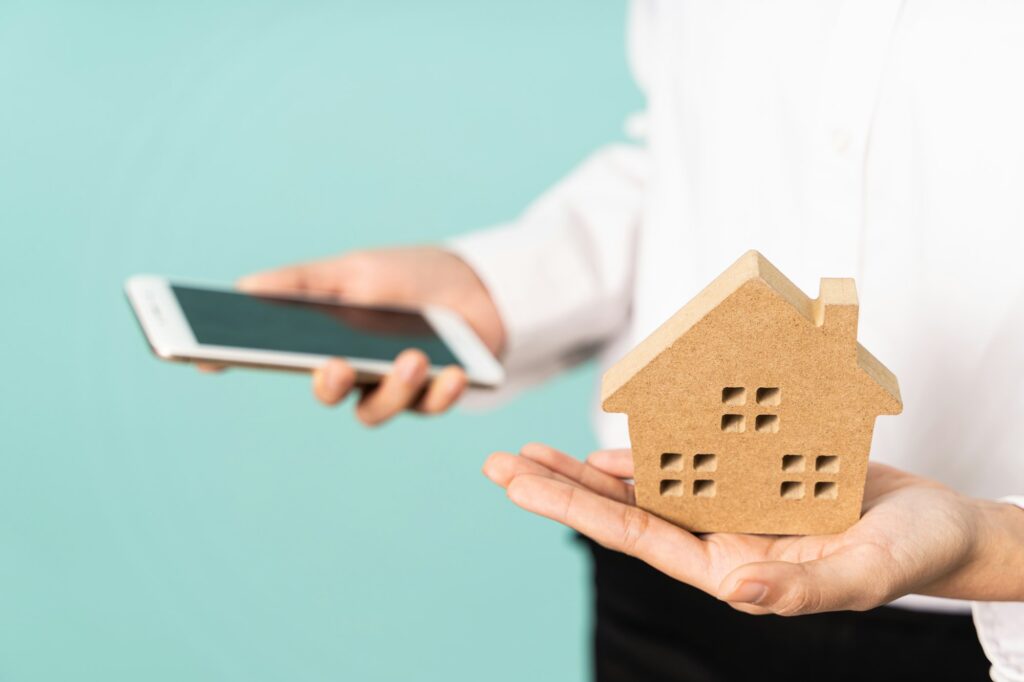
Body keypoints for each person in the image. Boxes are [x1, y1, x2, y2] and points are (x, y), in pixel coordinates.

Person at [208, 1, 1024, 679]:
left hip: (989, 614)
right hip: (667, 577)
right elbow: (689, 146)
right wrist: (490, 288)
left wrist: (1003, 543)